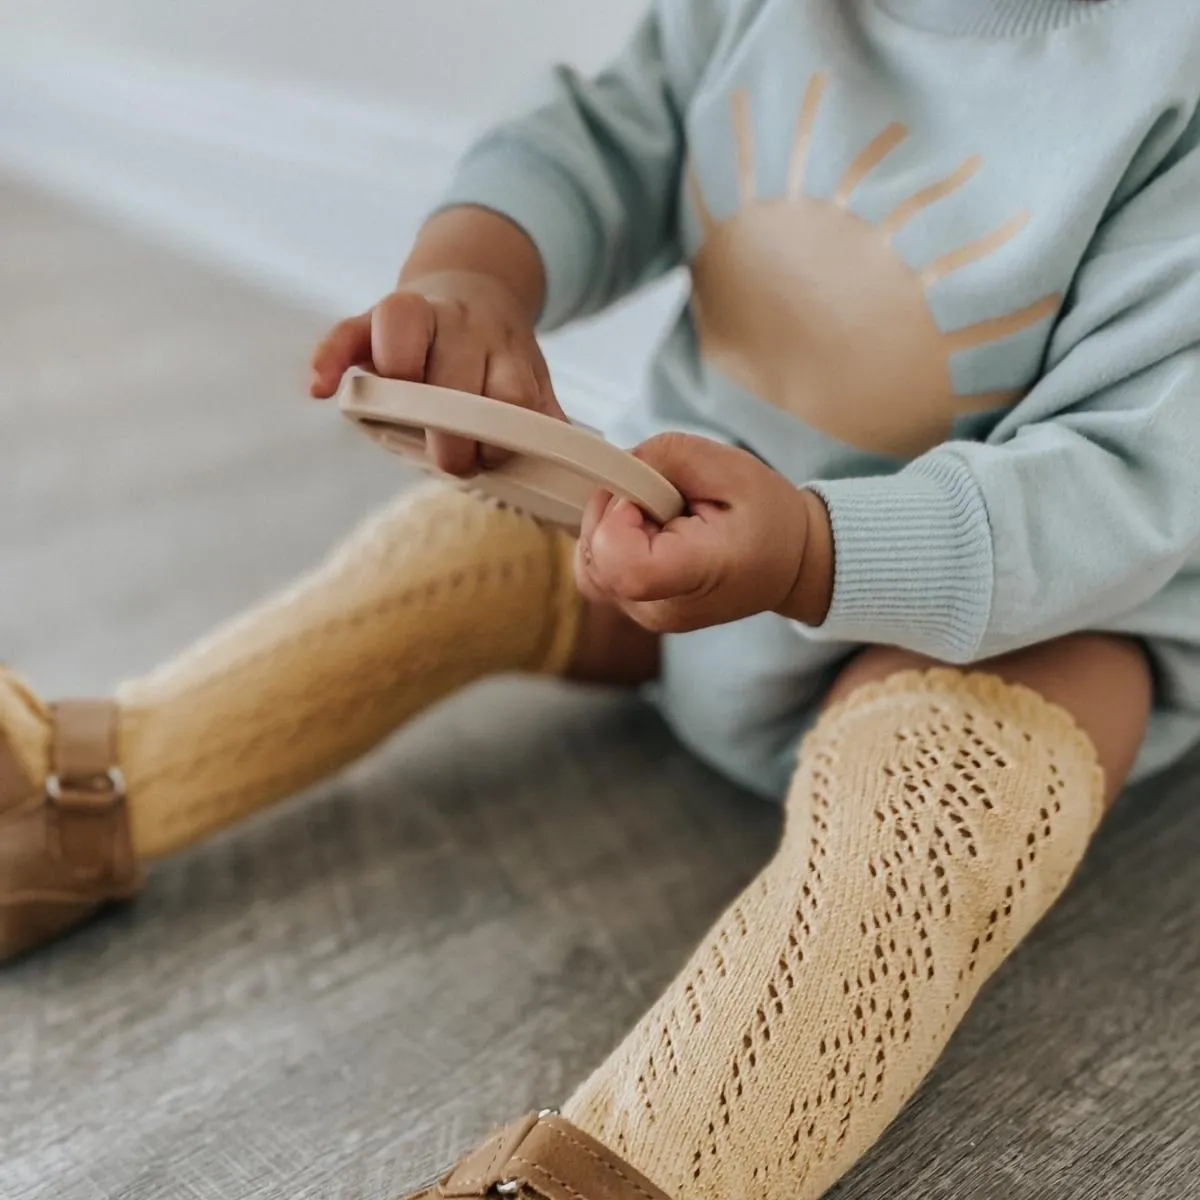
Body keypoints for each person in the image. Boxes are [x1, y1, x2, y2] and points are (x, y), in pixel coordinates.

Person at [3, 1, 1199, 1195]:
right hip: (683, 535)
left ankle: (640, 1168)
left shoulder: (1170, 85)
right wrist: (472, 274)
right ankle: (77, 794)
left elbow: (1126, 486)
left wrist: (814, 550)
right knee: (455, 547)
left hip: (1016, 615)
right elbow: (600, 139)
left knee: (946, 796)